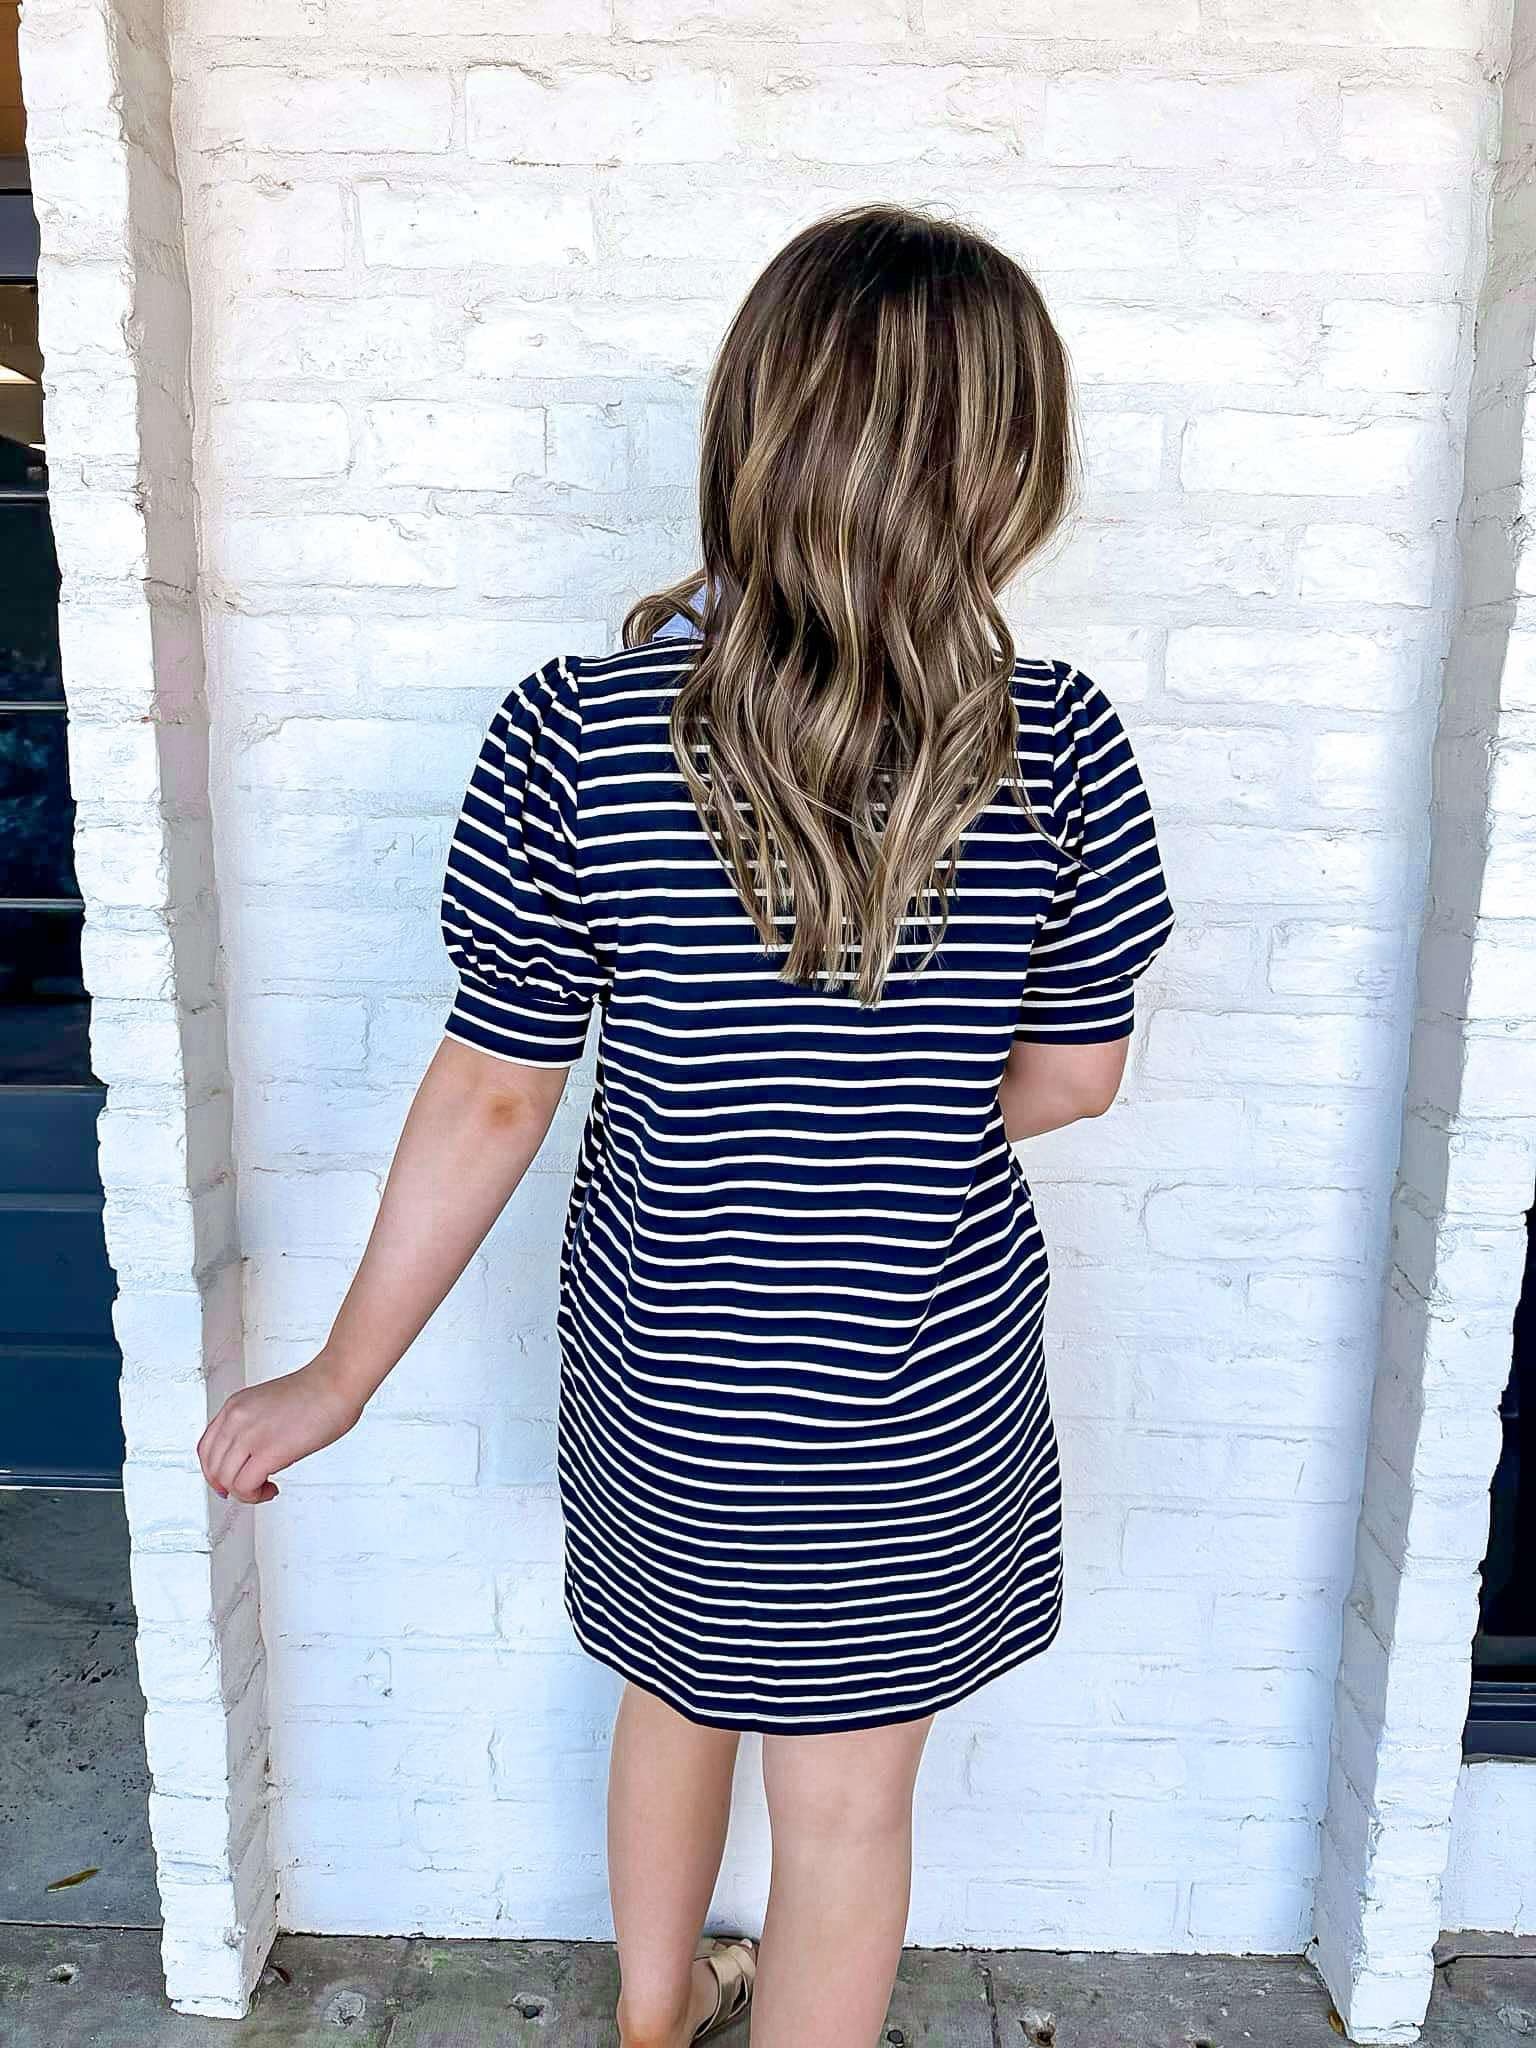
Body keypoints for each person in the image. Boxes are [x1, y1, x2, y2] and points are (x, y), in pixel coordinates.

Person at [197, 202, 1176, 2048]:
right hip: (912, 1392)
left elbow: (497, 1089)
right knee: (847, 1809)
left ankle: (655, 2017)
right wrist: (884, 1118)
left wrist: (337, 1377)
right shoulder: (1061, 745)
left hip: (669, 1379)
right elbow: (1076, 1074)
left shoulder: (575, 730)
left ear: (752, 433)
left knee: (672, 1687)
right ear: (1005, 471)